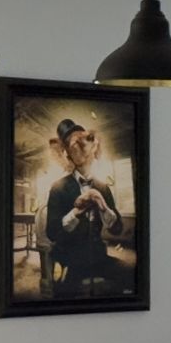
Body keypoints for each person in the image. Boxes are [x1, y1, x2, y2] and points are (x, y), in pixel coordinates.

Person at [43, 117, 122, 291]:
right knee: (64, 295)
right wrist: (76, 212)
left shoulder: (103, 187)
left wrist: (103, 206)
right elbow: (52, 233)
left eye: (84, 140)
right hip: (68, 259)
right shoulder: (57, 188)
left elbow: (117, 229)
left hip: (98, 257)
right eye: (74, 144)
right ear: (68, 155)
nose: (81, 145)